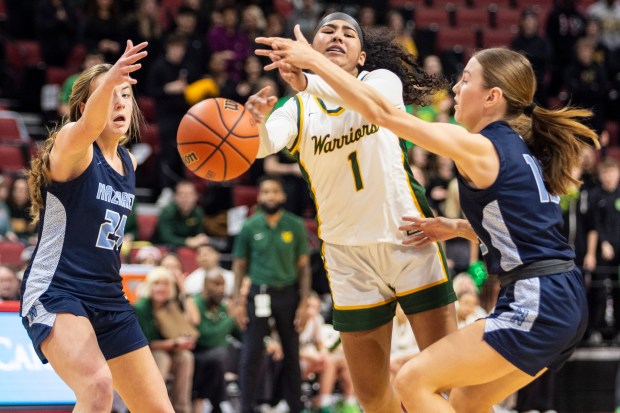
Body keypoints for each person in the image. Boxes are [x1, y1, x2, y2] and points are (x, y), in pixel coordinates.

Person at [258, 28, 600, 412]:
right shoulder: (518, 149)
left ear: (492, 97)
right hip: (564, 299)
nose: (455, 87)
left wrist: (313, 64)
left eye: (466, 79)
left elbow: (382, 114)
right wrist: (453, 227)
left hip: (538, 298)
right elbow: (523, 225)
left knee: (412, 380)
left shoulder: (479, 146)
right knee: (466, 403)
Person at [249, 13, 457, 413]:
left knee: (445, 379)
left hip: (409, 239)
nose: (338, 36)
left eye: (348, 33)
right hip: (348, 257)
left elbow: (375, 108)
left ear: (362, 57)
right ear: (312, 45)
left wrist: (311, 71)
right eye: (327, 30)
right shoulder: (297, 107)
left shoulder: (381, 81)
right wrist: (254, 125)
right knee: (373, 396)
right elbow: (263, 147)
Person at [20, 41, 175, 412]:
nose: (120, 102)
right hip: (57, 291)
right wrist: (113, 75)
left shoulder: (129, 164)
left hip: (108, 297)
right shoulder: (73, 146)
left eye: (126, 94)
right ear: (84, 108)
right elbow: (88, 125)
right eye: (110, 95)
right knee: (97, 385)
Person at [231, 175, 311, 413]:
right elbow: (239, 265)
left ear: (283, 196)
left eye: (275, 191)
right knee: (251, 354)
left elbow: (304, 267)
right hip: (258, 294)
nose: (271, 196)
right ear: (259, 196)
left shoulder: (295, 225)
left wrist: (304, 302)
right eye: (266, 192)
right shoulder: (250, 226)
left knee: (292, 354)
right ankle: (246, 407)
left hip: (288, 295)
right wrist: (237, 301)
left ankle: (295, 406)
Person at [134, 266, 198, 413]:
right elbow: (146, 343)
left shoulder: (171, 305)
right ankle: (153, 408)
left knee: (186, 357)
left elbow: (194, 320)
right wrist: (175, 343)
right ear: (150, 286)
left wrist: (184, 341)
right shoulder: (141, 307)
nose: (161, 288)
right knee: (162, 358)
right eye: (157, 283)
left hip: (170, 350)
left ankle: (181, 408)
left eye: (166, 284)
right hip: (147, 353)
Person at [192, 271, 242, 413]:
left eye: (223, 285)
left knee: (254, 354)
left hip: (220, 354)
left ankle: (262, 402)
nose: (221, 289)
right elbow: (206, 337)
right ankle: (220, 402)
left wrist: (266, 343)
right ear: (205, 286)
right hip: (200, 352)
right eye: (216, 284)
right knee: (218, 357)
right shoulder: (196, 303)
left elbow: (239, 334)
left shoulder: (221, 306)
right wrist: (230, 318)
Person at [152, 180, 209, 248]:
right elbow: (165, 238)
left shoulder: (198, 212)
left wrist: (202, 240)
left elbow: (199, 234)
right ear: (175, 197)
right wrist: (187, 241)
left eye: (189, 194)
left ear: (196, 197)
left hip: (191, 246)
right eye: (181, 194)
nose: (185, 198)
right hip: (165, 247)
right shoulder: (167, 212)